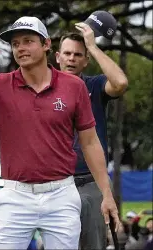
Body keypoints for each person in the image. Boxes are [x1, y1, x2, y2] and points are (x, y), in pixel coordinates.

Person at [0, 16, 119, 249]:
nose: (20, 48)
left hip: (61, 195)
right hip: (15, 196)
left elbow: (89, 143)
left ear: (47, 44)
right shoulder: (0, 84)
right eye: (15, 44)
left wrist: (106, 193)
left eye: (28, 41)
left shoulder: (73, 86)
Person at [55, 19, 128, 250]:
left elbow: (120, 82)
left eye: (78, 55)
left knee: (92, 245)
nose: (71, 58)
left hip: (90, 181)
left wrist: (94, 47)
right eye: (67, 53)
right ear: (57, 56)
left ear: (86, 60)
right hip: (55, 183)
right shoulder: (43, 88)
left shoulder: (94, 86)